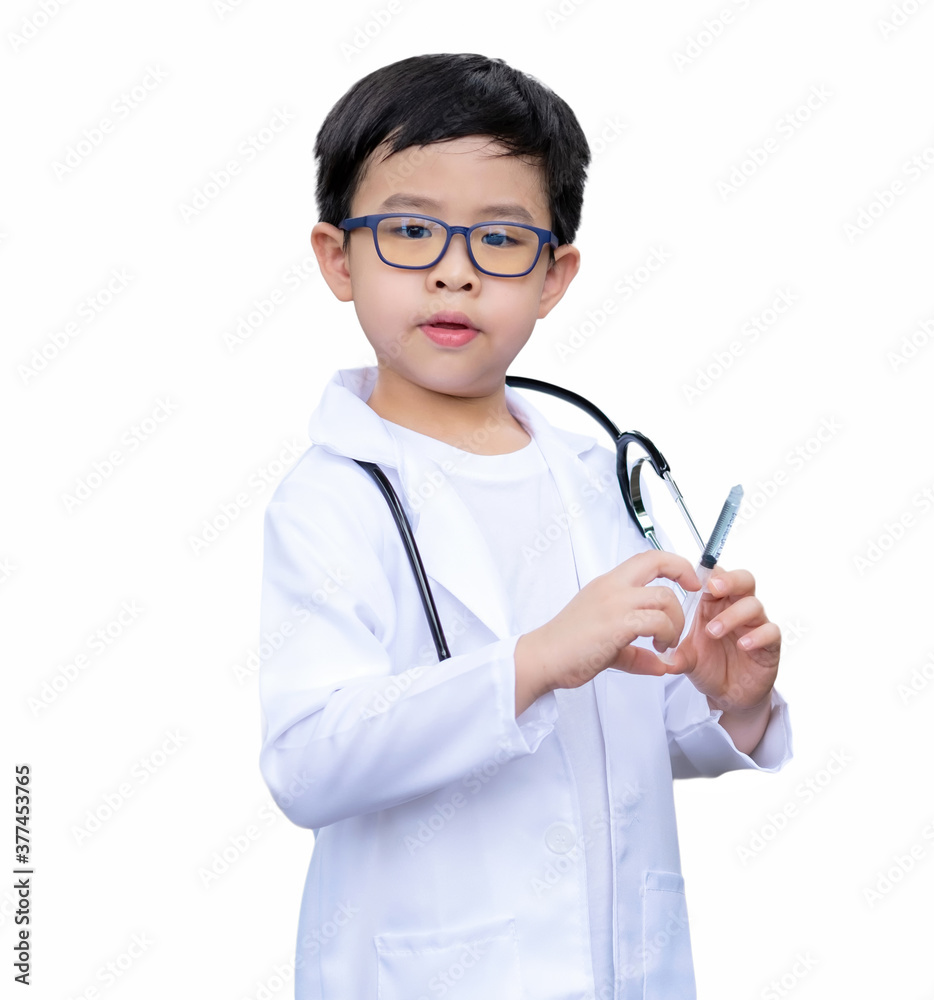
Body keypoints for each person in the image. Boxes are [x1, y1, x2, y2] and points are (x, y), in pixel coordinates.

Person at [257, 52, 792, 1000]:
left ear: (554, 275)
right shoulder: (332, 499)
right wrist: (535, 659)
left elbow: (628, 743)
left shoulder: (595, 478)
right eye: (409, 230)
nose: (453, 274)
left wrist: (727, 698)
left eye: (500, 240)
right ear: (338, 258)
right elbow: (307, 762)